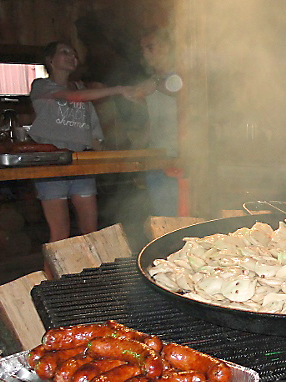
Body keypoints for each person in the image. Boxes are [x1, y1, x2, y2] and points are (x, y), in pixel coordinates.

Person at [28, 41, 136, 243]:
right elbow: (75, 97)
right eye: (65, 52)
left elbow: (89, 131)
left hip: (80, 163)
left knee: (91, 232)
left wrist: (107, 157)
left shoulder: (80, 88)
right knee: (60, 234)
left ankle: (92, 274)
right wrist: (118, 89)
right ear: (50, 60)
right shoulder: (41, 86)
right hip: (51, 164)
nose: (72, 56)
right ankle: (52, 275)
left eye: (74, 54)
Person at [136, 28, 183, 217]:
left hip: (178, 157)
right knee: (162, 218)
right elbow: (153, 120)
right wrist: (137, 151)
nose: (145, 54)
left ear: (167, 48)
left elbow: (180, 90)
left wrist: (155, 84)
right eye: (143, 49)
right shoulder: (151, 82)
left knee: (182, 221)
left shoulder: (181, 76)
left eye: (150, 47)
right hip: (156, 156)